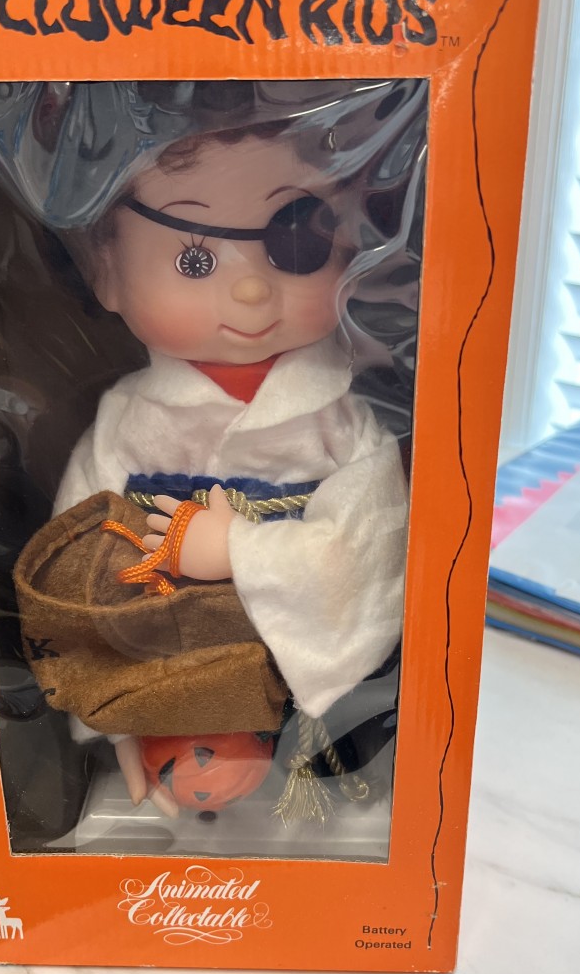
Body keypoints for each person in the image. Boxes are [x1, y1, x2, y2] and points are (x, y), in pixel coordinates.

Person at [53, 120, 409, 813]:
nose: (250, 290)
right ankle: (163, 742)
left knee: (326, 773)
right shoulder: (129, 421)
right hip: (169, 660)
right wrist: (115, 711)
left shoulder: (338, 420)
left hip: (300, 661)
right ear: (107, 272)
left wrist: (239, 550)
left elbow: (372, 547)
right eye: (195, 261)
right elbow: (76, 558)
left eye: (293, 247)